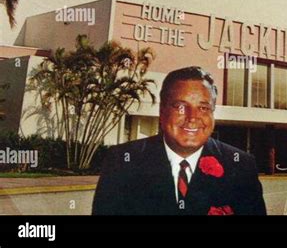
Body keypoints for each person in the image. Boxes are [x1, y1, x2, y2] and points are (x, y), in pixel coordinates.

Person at [92, 66, 266, 215]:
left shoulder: (241, 166)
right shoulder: (122, 161)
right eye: (180, 107)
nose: (192, 118)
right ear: (162, 111)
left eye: (203, 108)